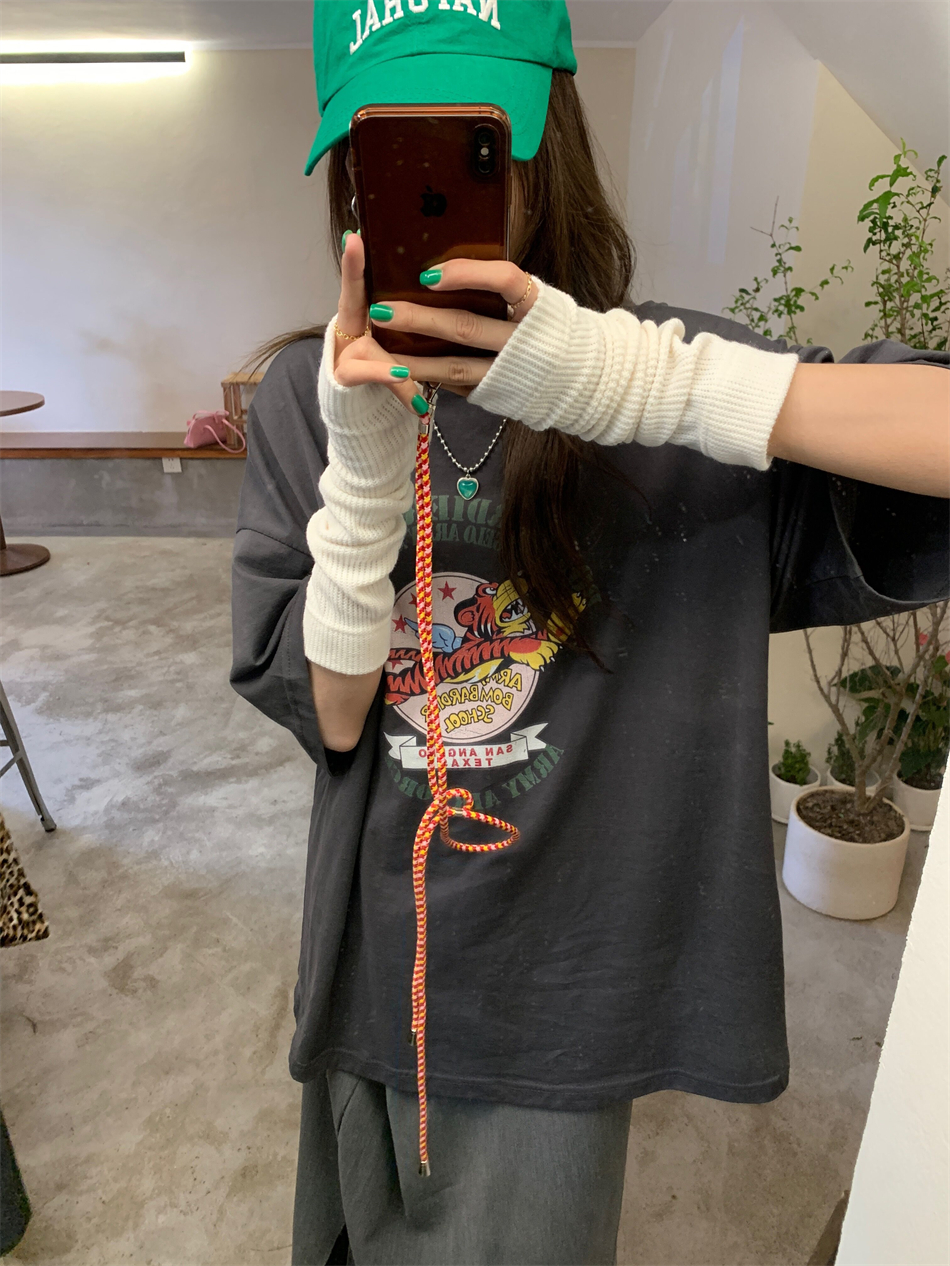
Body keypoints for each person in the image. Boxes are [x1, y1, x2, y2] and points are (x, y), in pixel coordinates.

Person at [229, 3, 949, 1263]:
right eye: (384, 156)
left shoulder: (668, 376)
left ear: (543, 148)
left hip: (571, 972)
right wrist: (363, 475)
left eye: (469, 150)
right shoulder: (308, 392)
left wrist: (646, 386)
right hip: (377, 951)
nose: (428, 196)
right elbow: (335, 717)